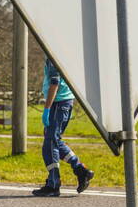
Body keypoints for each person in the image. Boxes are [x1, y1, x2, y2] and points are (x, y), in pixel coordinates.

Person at [32, 57, 94, 197]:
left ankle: (53, 184)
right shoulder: (57, 52)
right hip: (63, 103)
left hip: (58, 104)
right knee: (55, 141)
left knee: (50, 144)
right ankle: (81, 170)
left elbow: (55, 84)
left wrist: (47, 109)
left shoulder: (52, 56)